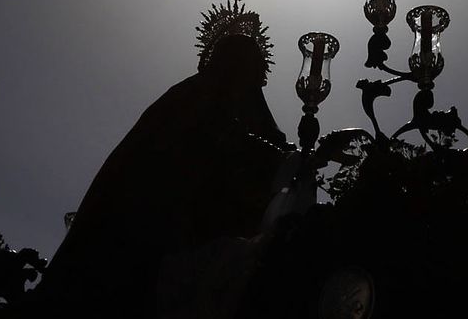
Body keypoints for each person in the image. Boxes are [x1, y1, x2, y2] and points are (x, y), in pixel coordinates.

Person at [35, 21, 287, 316]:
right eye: (247, 68)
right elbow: (203, 141)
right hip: (150, 229)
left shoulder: (245, 109)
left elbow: (268, 145)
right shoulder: (192, 94)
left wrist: (293, 157)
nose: (255, 84)